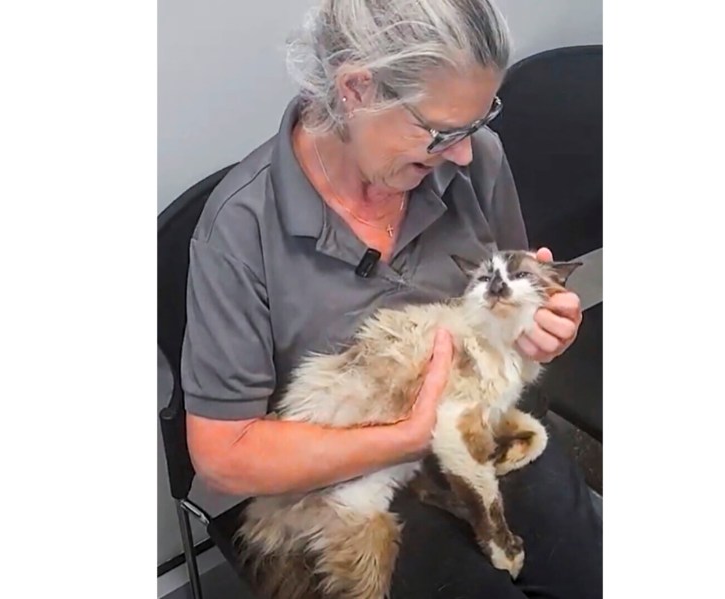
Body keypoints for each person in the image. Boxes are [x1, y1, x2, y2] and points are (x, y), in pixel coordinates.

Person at [180, 1, 602, 597]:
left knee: (591, 570)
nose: (464, 152)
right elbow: (226, 455)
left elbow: (510, 301)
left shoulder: (477, 158)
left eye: (479, 122)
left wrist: (540, 332)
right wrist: (405, 437)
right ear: (357, 89)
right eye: (442, 131)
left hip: (468, 418)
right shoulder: (239, 229)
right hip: (332, 479)